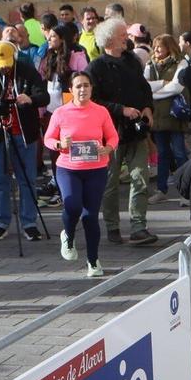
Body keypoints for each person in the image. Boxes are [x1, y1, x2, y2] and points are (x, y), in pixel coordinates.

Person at [42, 71, 119, 277]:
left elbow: (112, 136)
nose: (82, 89)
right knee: (73, 205)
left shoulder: (101, 111)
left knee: (90, 217)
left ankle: (93, 262)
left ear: (91, 88)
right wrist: (59, 144)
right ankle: (67, 234)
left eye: (86, 85)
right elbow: (48, 138)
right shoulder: (60, 113)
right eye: (78, 86)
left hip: (96, 169)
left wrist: (108, 148)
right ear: (71, 90)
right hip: (69, 169)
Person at [89, 18, 157, 247]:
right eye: (121, 35)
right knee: (110, 182)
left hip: (135, 130)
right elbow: (94, 101)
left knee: (140, 177)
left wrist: (148, 107)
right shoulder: (96, 67)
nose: (125, 38)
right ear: (109, 40)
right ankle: (112, 225)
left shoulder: (132, 61)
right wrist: (121, 110)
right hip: (110, 132)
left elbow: (144, 87)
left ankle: (139, 226)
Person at [0, 40, 47, 243]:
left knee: (28, 179)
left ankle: (29, 223)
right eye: (0, 63)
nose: (4, 67)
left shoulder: (26, 70)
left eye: (7, 62)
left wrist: (30, 99)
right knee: (0, 180)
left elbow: (44, 96)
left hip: (25, 133)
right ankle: (0, 223)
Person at [147, 33, 191, 195]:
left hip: (174, 116)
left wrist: (154, 93)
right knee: (163, 155)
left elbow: (177, 87)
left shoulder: (181, 63)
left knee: (180, 154)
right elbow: (145, 86)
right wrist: (161, 84)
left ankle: (186, 191)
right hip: (158, 118)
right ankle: (161, 189)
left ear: (169, 47)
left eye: (160, 46)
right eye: (155, 46)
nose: (156, 49)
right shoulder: (150, 64)